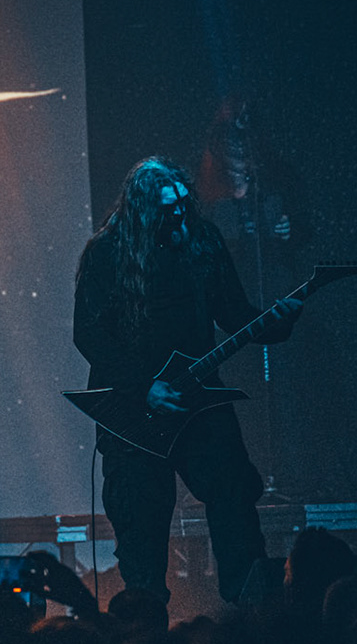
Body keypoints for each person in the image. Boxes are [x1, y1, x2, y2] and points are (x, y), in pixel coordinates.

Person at [72, 156, 302, 605]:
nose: (178, 214)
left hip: (199, 400)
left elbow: (233, 313)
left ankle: (249, 614)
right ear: (142, 210)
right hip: (134, 412)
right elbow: (90, 335)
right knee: (141, 526)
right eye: (167, 208)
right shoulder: (107, 252)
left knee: (234, 496)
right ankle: (145, 628)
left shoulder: (202, 241)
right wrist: (145, 386)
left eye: (182, 203)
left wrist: (278, 322)